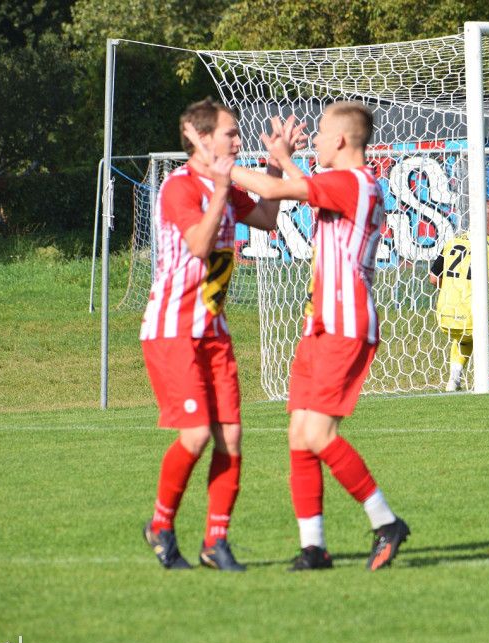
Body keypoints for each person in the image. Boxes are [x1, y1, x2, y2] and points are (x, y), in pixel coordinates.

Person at [220, 103, 410, 571]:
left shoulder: (353, 182)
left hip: (345, 326)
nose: (316, 139)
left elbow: (271, 190)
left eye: (321, 132)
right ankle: (314, 548)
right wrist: (284, 159)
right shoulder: (347, 183)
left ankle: (386, 522)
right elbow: (295, 185)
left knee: (318, 434)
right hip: (320, 325)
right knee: (299, 436)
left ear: (341, 140)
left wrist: (216, 164)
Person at [139, 97, 288, 571]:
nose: (237, 141)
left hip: (214, 332)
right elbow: (200, 245)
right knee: (197, 434)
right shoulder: (178, 187)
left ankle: (214, 542)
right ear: (200, 137)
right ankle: (160, 525)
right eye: (230, 134)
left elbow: (267, 219)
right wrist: (222, 190)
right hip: (173, 331)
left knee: (231, 438)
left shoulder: (223, 184)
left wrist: (274, 165)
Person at [429, 200, 489, 391]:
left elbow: (434, 279)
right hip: (475, 316)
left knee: (465, 336)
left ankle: (454, 380)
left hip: (445, 316)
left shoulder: (452, 243)